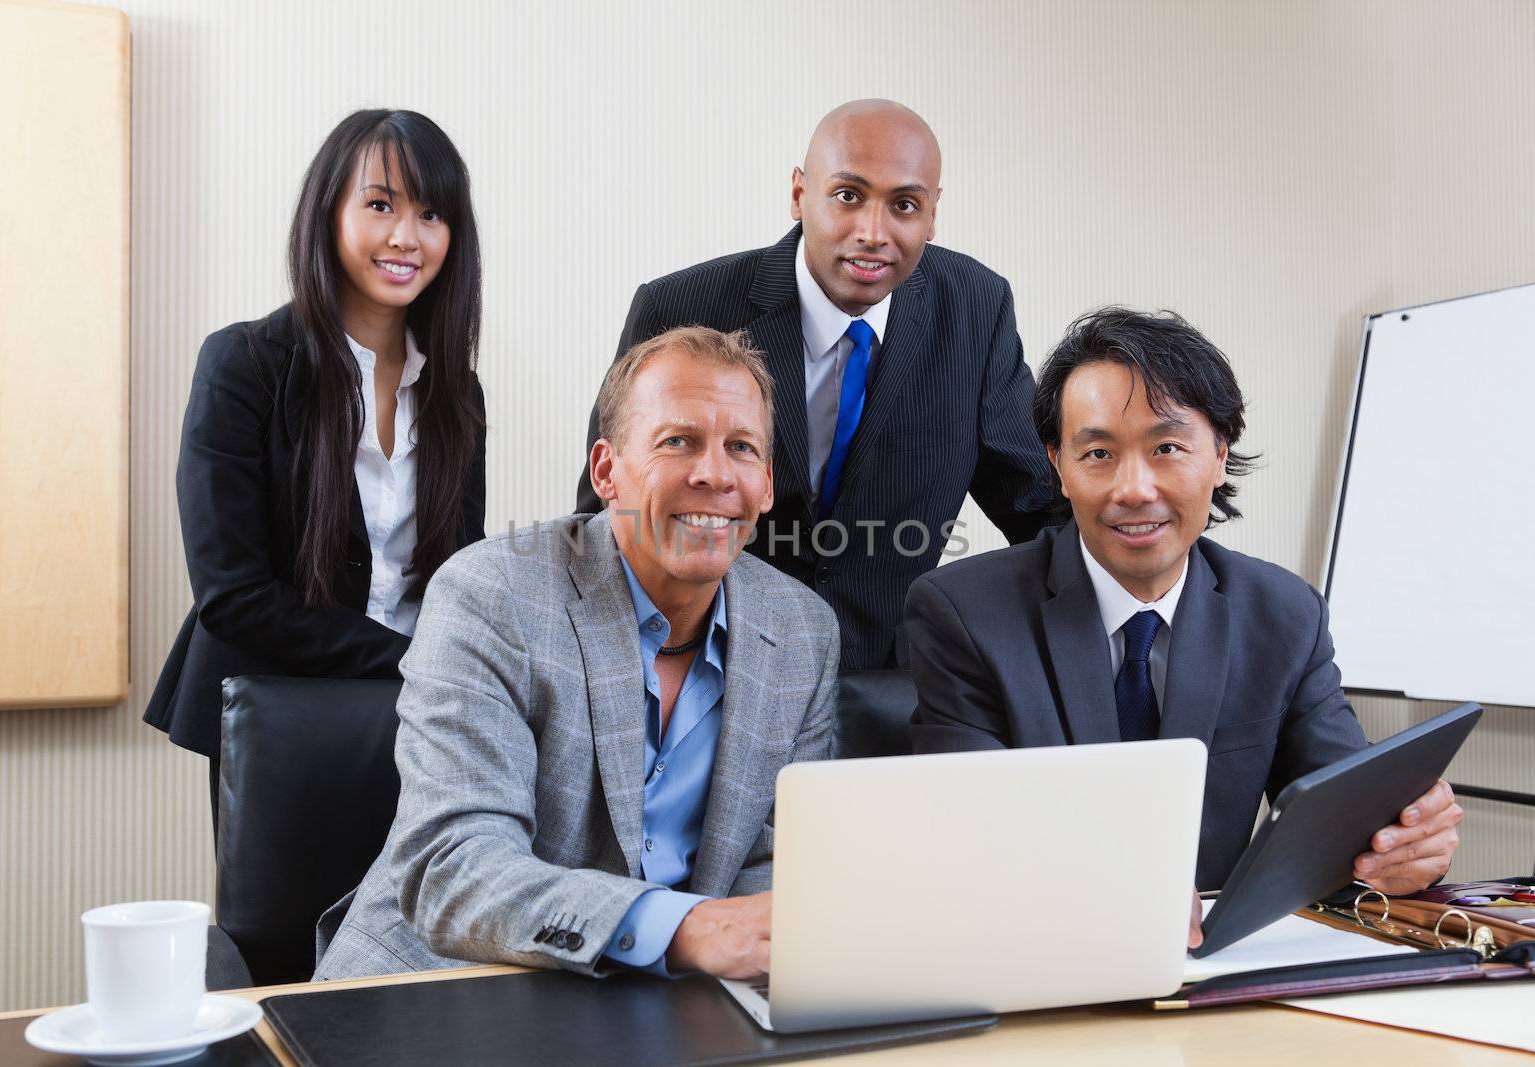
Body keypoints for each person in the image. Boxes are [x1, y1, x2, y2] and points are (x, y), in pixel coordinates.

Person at [314, 327, 838, 981]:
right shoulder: (492, 595)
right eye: (678, 441)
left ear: (764, 484)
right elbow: (454, 869)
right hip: (444, 984)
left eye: (740, 448)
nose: (713, 473)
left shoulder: (803, 632)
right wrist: (677, 927)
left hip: (675, 1007)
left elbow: (769, 868)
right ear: (605, 470)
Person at [906, 308, 1463, 907]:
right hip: (1040, 950)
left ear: (1221, 454)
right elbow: (965, 835)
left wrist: (1404, 846)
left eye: (1167, 447)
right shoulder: (963, 612)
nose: (1134, 489)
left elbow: (1348, 820)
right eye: (1098, 454)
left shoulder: (1283, 615)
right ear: (1058, 468)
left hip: (1213, 966)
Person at [575, 99, 1054, 670]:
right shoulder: (681, 307)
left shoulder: (976, 308)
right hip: (709, 671)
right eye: (848, 196)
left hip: (894, 688)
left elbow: (1037, 507)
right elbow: (609, 515)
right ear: (800, 194)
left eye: (904, 205)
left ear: (932, 214)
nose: (873, 232)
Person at [143, 110, 488, 823]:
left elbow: (457, 573)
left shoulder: (458, 391)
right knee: (283, 932)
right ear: (328, 211)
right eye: (380, 204)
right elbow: (233, 594)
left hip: (426, 718)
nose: (406, 236)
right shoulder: (243, 364)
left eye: (432, 213)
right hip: (277, 712)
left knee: (424, 924)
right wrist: (409, 658)